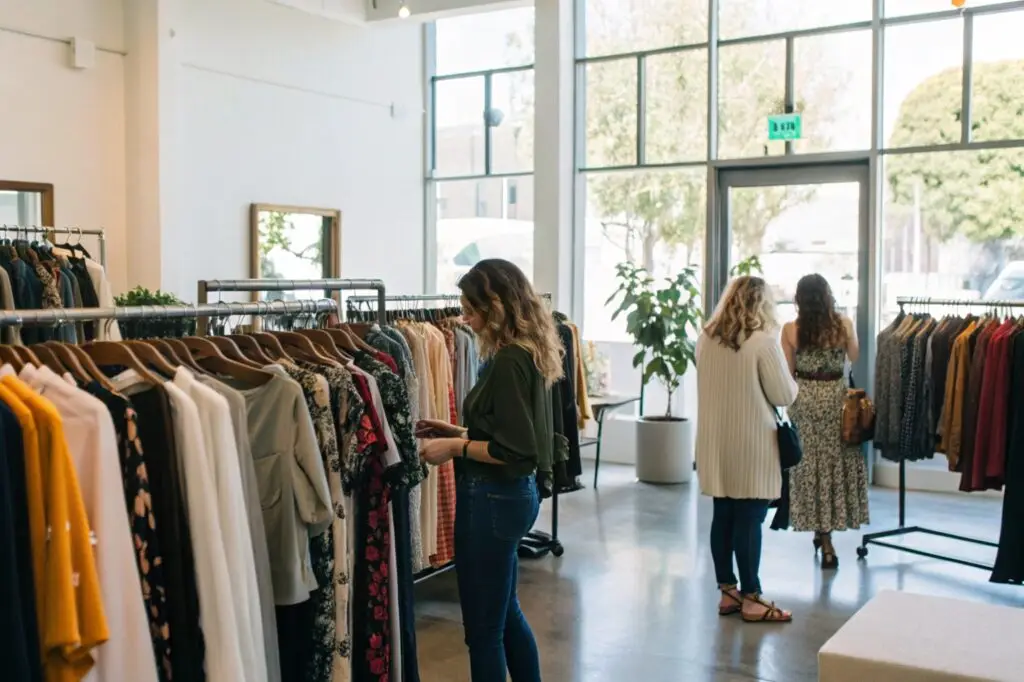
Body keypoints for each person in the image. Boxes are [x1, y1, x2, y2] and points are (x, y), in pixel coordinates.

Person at [416, 258, 562, 682]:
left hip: (493, 500)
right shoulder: (524, 353)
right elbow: (511, 432)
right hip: (512, 497)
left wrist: (454, 447)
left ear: (495, 305)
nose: (465, 318)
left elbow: (515, 451)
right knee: (504, 613)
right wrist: (457, 429)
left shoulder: (506, 361)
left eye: (470, 309)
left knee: (482, 631)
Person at [696, 276, 798, 623]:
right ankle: (753, 598)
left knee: (723, 517)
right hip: (753, 444)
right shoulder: (763, 343)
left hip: (715, 444)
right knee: (749, 519)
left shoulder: (706, 340)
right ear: (762, 304)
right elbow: (784, 395)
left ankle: (728, 593)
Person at [781, 273, 869, 569]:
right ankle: (827, 538)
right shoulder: (842, 324)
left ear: (799, 300)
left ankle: (819, 531)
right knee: (835, 466)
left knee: (811, 467)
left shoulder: (791, 330)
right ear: (828, 296)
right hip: (836, 402)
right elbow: (854, 356)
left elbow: (789, 373)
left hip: (805, 401)